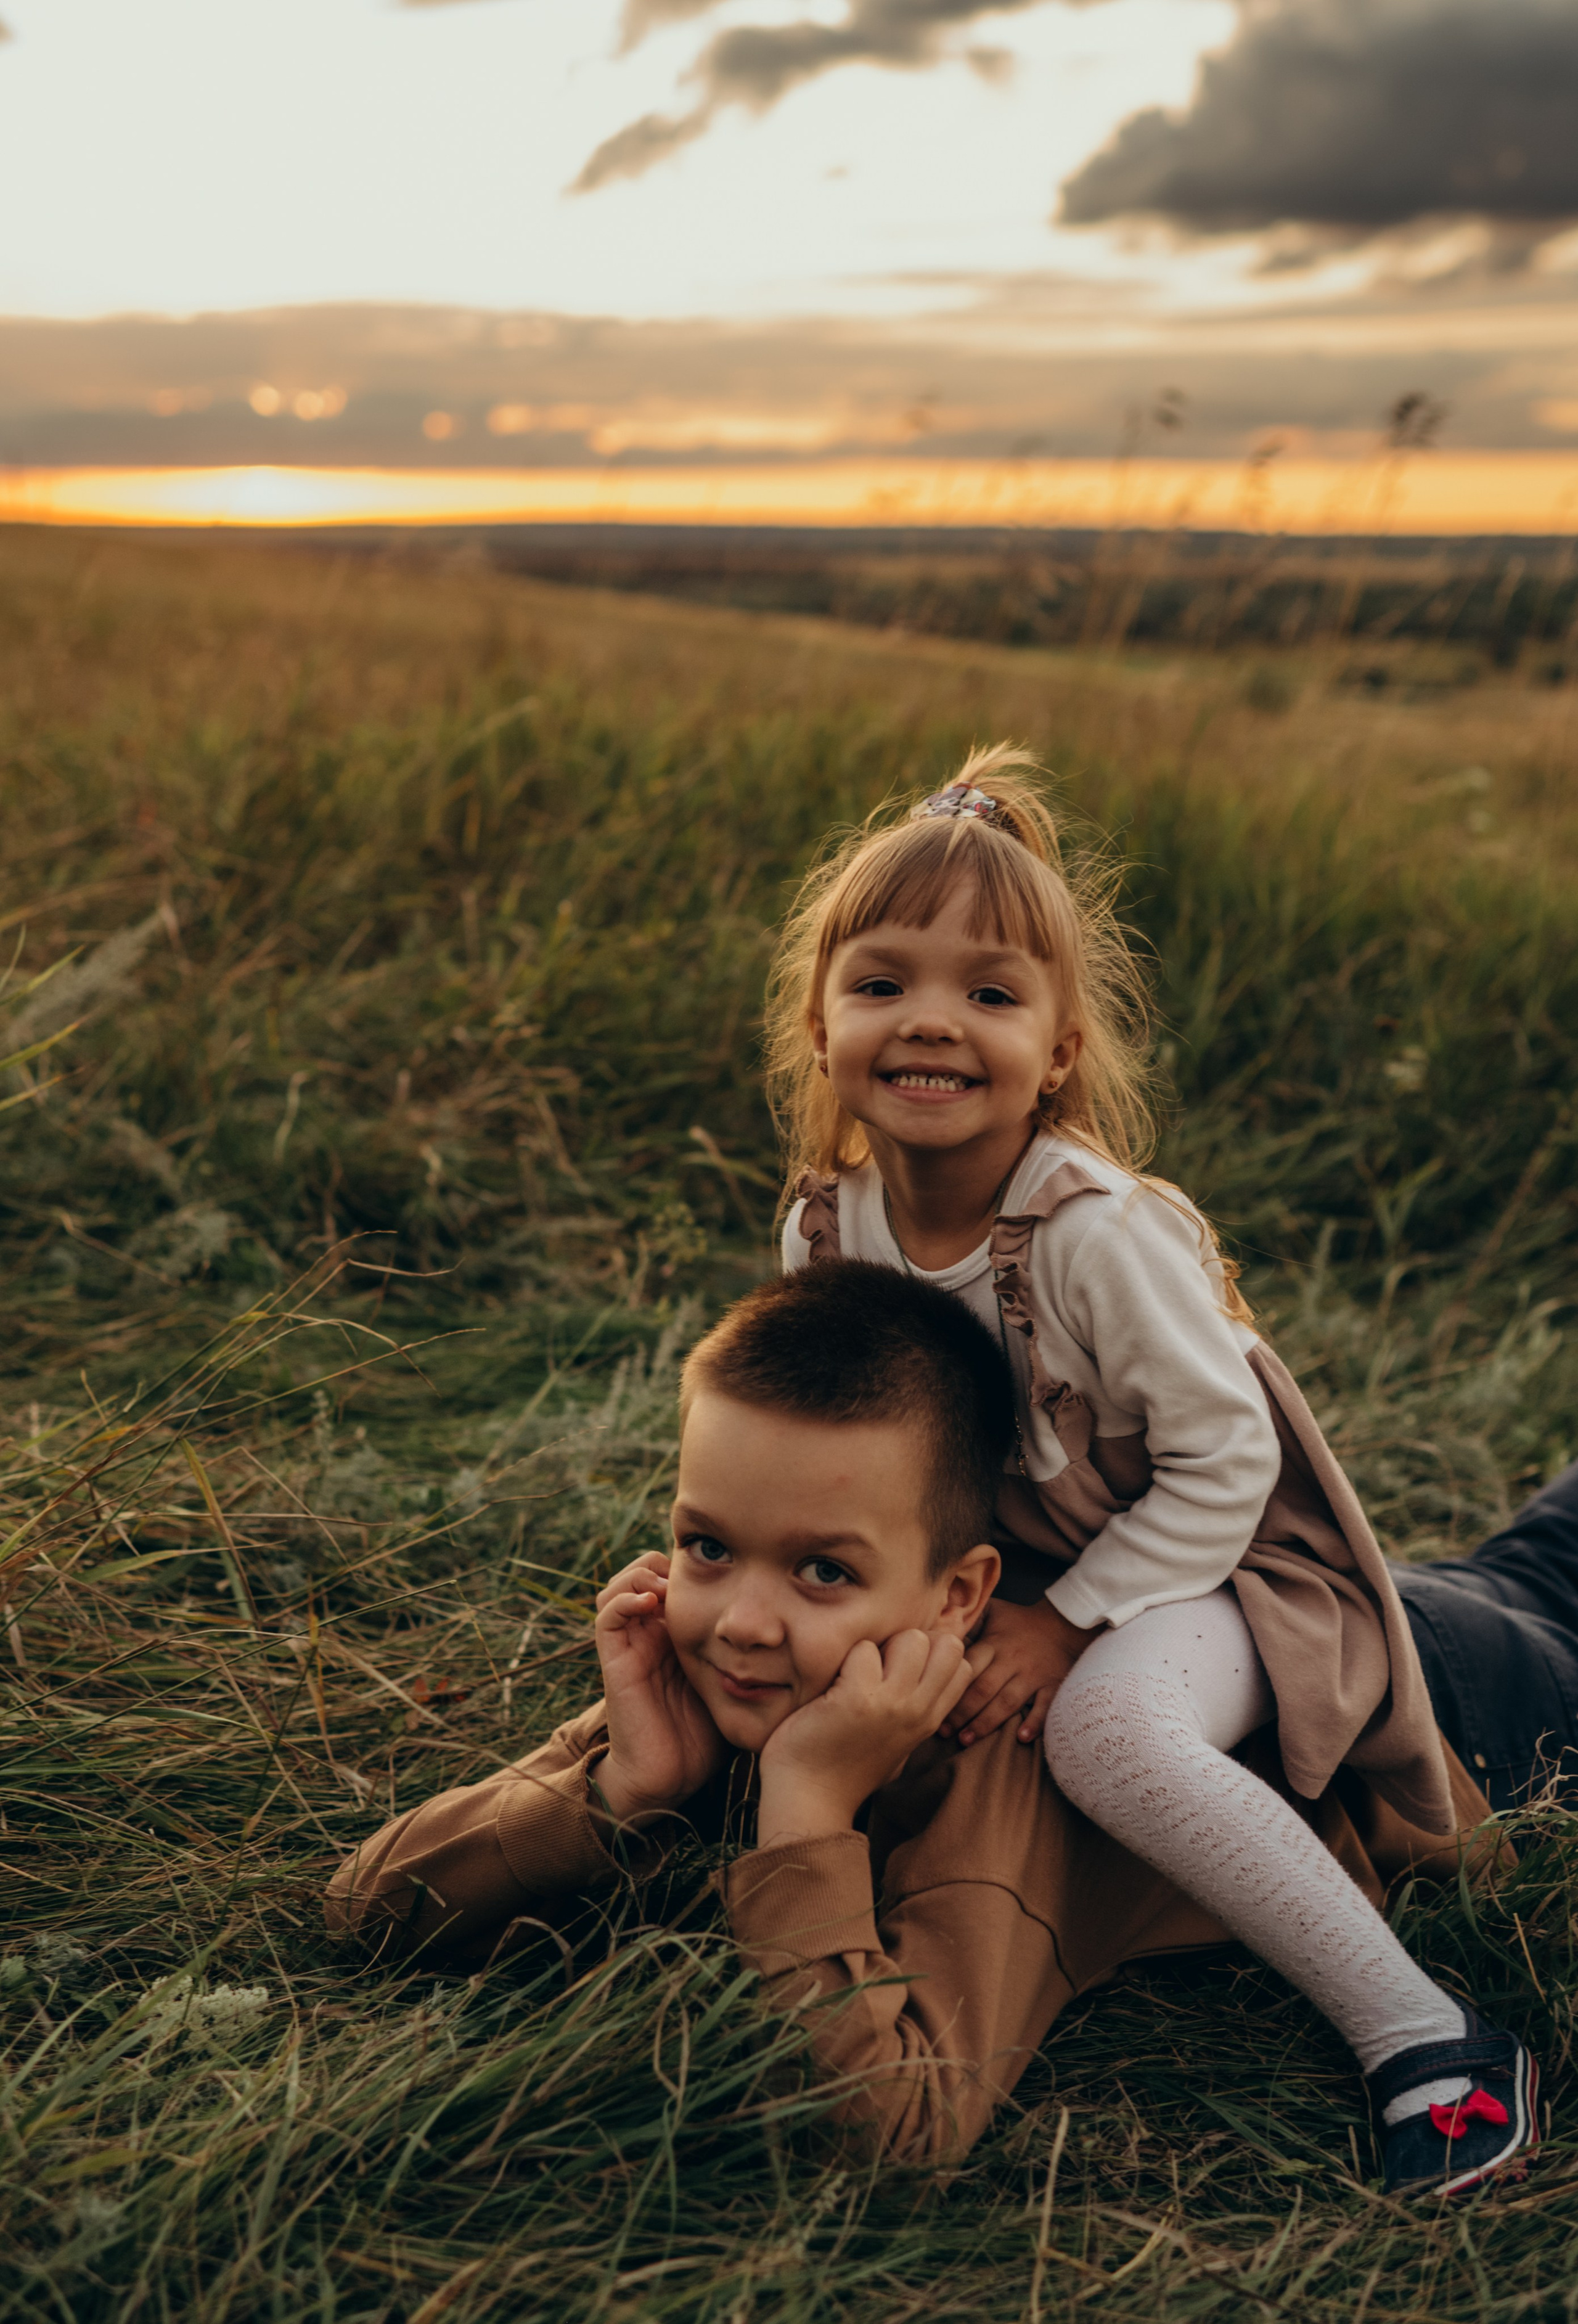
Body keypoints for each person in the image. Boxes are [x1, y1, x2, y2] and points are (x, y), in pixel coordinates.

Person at [327, 1264, 1546, 2196]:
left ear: (958, 1597)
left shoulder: (984, 1765)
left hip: (1463, 1709)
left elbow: (895, 2130)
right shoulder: (715, 1683)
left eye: (819, 1570)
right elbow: (366, 1906)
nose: (740, 1621)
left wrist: (804, 1804)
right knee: (1531, 1557)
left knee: (1537, 1589)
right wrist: (616, 1792)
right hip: (1378, 1615)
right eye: (706, 1545)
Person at [765, 745, 1541, 2196]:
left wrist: (1064, 1625)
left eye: (989, 994)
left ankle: (1427, 2037)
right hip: (1028, 1560)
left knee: (1107, 1736)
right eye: (881, 983)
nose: (929, 1021)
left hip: (1218, 1558)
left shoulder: (1089, 1232)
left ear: (1056, 1049)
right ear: (820, 1022)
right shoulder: (827, 1223)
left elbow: (1227, 1462)